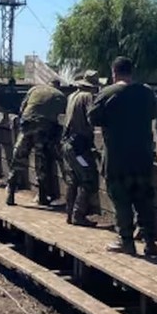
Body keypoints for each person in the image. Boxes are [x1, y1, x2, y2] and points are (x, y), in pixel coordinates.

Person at [88, 56, 157, 256]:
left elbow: (93, 118)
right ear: (132, 72)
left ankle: (126, 242)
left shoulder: (107, 93)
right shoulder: (147, 93)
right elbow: (154, 115)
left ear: (114, 73)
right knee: (144, 200)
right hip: (142, 158)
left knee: (121, 201)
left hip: (117, 159)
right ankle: (150, 243)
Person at [6, 80, 67, 206]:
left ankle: (10, 193)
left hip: (27, 126)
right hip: (44, 130)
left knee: (18, 160)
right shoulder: (60, 96)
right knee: (41, 162)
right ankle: (42, 197)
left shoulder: (34, 89)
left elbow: (22, 108)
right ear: (58, 86)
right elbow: (61, 116)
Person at [61, 71, 101, 226]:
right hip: (79, 148)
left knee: (73, 179)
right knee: (89, 178)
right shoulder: (88, 97)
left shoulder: (72, 96)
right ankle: (78, 214)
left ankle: (69, 213)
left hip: (68, 145)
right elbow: (92, 117)